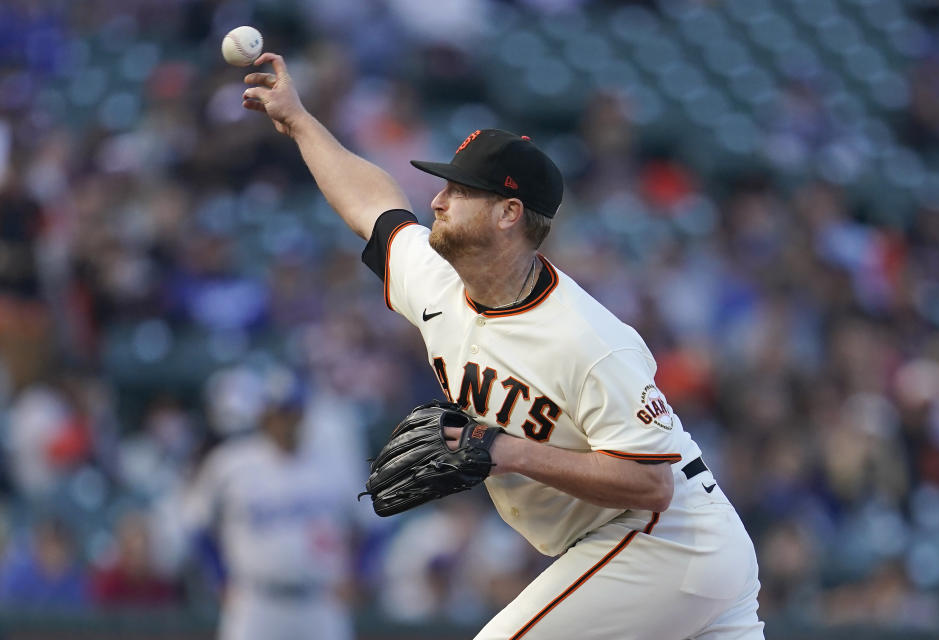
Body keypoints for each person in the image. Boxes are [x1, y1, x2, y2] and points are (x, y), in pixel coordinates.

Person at [241, 52, 764, 640]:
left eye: (459, 191)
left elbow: (651, 484)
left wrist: (503, 450)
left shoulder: (590, 340)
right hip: (653, 552)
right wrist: (301, 121)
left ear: (509, 213)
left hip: (667, 538)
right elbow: (373, 208)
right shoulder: (437, 282)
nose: (437, 201)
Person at [181, 366, 359, 640]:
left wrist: (358, 573)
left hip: (319, 601)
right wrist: (218, 578)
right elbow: (196, 525)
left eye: (291, 413)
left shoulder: (334, 463)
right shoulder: (231, 463)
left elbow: (374, 523)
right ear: (263, 416)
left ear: (303, 414)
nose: (285, 422)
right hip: (255, 601)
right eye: (278, 413)